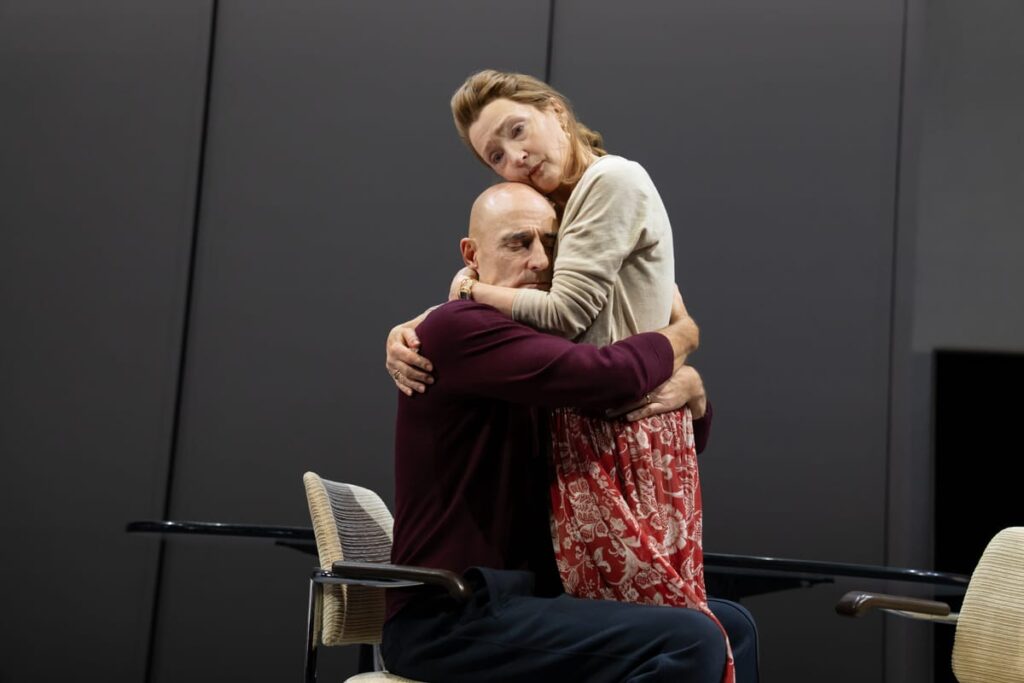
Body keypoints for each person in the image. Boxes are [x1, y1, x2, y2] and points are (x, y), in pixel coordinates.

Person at [386, 70, 744, 680]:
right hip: (454, 614)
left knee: (730, 624)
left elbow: (621, 405)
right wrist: (682, 336)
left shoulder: (527, 339)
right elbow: (606, 378)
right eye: (519, 243)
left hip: (522, 596)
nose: (541, 261)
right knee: (691, 642)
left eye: (553, 244)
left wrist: (694, 395)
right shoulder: (461, 331)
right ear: (471, 256)